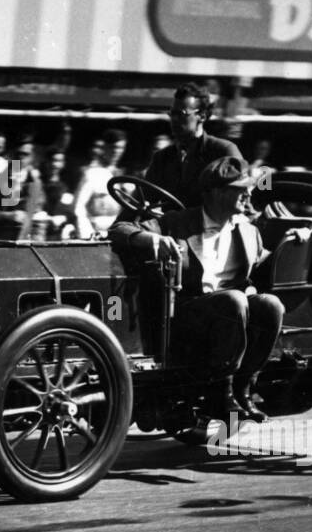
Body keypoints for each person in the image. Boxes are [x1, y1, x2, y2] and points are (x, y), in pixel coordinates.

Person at [111, 156, 289, 433]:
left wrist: (294, 240)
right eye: (241, 187)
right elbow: (120, 229)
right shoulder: (177, 223)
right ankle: (220, 394)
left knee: (271, 305)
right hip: (185, 316)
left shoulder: (249, 231)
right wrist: (151, 239)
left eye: (250, 187)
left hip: (231, 318)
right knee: (234, 299)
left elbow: (266, 265)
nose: (249, 193)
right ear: (216, 192)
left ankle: (243, 388)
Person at [133, 83, 241, 211]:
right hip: (170, 227)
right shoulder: (162, 158)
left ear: (202, 116)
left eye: (181, 114)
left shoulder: (223, 151)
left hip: (210, 228)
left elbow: (240, 196)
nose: (174, 119)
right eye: (172, 114)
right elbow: (142, 200)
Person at [0, 136, 44, 242]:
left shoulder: (35, 184)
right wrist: (7, 216)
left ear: (32, 157)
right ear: (12, 155)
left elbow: (37, 214)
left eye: (26, 154)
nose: (21, 158)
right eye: (18, 154)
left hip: (23, 246)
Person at [73, 128, 128, 238]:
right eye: (113, 147)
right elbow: (79, 207)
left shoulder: (123, 175)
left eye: (120, 148)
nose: (116, 152)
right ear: (105, 148)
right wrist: (87, 234)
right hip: (94, 232)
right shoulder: (92, 174)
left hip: (117, 233)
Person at [33, 146, 75, 240]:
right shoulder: (37, 184)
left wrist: (63, 219)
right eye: (52, 160)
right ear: (46, 162)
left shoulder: (66, 187)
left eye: (59, 161)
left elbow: (69, 213)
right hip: (37, 232)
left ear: (63, 164)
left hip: (57, 234)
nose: (54, 164)